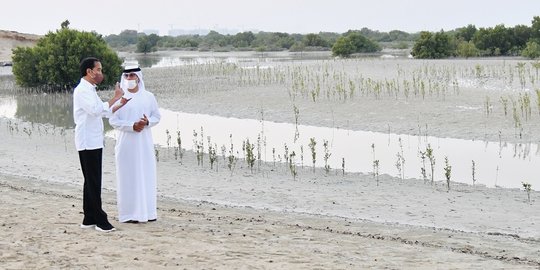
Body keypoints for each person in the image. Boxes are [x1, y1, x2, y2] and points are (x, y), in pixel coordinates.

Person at [73, 57, 128, 232]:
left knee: (90, 180)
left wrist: (119, 103)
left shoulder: (90, 89)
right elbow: (96, 110)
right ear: (89, 72)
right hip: (87, 141)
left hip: (94, 140)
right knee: (93, 181)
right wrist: (115, 97)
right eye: (99, 70)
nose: (101, 73)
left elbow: (102, 112)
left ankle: (88, 218)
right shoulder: (82, 90)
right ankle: (100, 220)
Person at [109, 65, 161, 223]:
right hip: (126, 144)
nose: (130, 79)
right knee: (128, 177)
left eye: (132, 75)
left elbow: (156, 116)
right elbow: (113, 120)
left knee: (146, 176)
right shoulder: (120, 98)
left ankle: (148, 213)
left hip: (144, 144)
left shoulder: (149, 96)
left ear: (138, 77)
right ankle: (129, 214)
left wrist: (146, 123)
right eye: (127, 76)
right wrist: (132, 126)